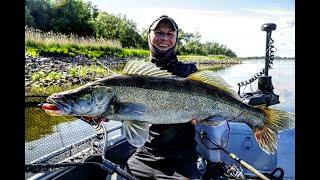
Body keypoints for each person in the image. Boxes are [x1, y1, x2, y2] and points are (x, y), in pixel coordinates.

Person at [123, 15, 200, 180]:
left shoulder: (189, 72)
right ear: (149, 36)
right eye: (159, 33)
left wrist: (205, 117)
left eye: (170, 34)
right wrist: (97, 117)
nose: (164, 38)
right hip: (145, 153)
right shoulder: (134, 75)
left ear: (176, 39)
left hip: (180, 157)